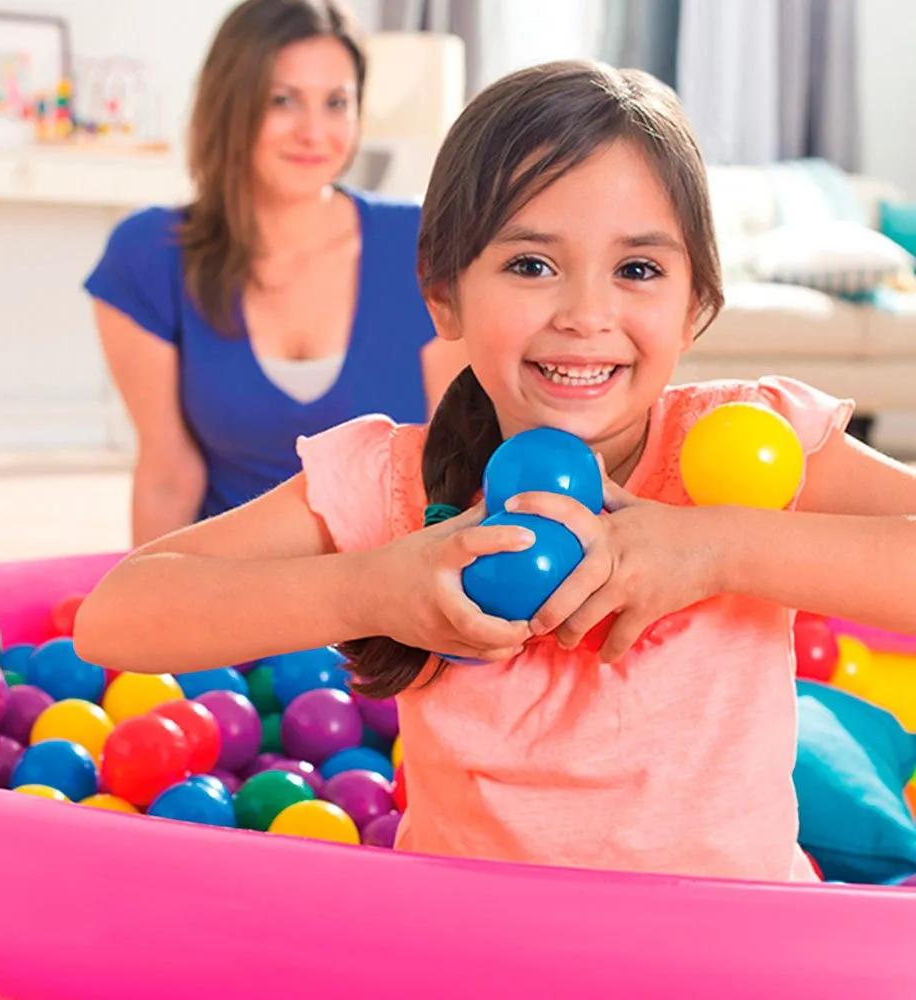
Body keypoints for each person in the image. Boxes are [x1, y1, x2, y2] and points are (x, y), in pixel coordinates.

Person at [76, 61, 916, 882]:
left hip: (729, 947)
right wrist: (372, 591)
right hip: (480, 948)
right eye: (531, 265)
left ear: (695, 302)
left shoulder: (750, 447)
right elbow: (114, 618)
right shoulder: (392, 483)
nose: (586, 314)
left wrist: (718, 548)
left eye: (637, 270)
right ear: (443, 294)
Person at [84, 0, 463, 543]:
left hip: (386, 576)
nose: (314, 132)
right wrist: (143, 591)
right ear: (229, 104)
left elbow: (453, 460)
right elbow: (170, 475)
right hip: (233, 575)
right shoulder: (150, 254)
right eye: (282, 100)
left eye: (336, 102)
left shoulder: (420, 243)